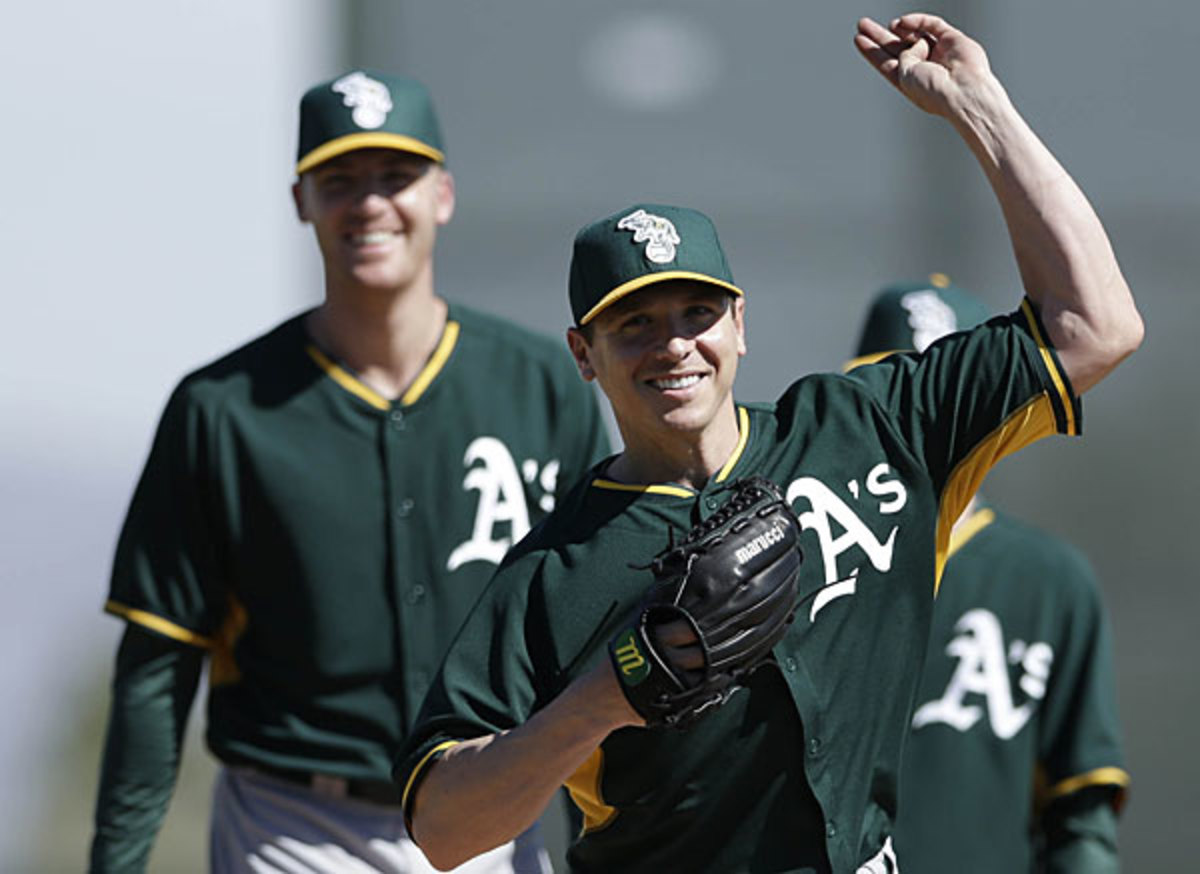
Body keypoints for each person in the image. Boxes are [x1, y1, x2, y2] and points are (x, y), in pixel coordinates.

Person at [394, 14, 1144, 873]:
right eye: (634, 323)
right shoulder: (554, 570)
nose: (674, 344)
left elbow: (1099, 326)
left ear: (739, 324)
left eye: (696, 313)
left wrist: (981, 111)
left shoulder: (867, 427)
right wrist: (601, 697)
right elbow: (443, 827)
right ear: (583, 355)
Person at [89, 70, 610, 873]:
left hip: (491, 814)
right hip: (292, 827)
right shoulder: (221, 409)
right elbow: (156, 666)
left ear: (442, 194)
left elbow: (588, 638)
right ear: (302, 200)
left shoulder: (542, 382)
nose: (369, 203)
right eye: (339, 180)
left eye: (395, 177)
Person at [846, 277, 1129, 872]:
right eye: (894, 391)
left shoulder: (1047, 580)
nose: (916, 417)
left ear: (1000, 413)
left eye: (947, 397)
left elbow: (1080, 812)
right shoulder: (811, 561)